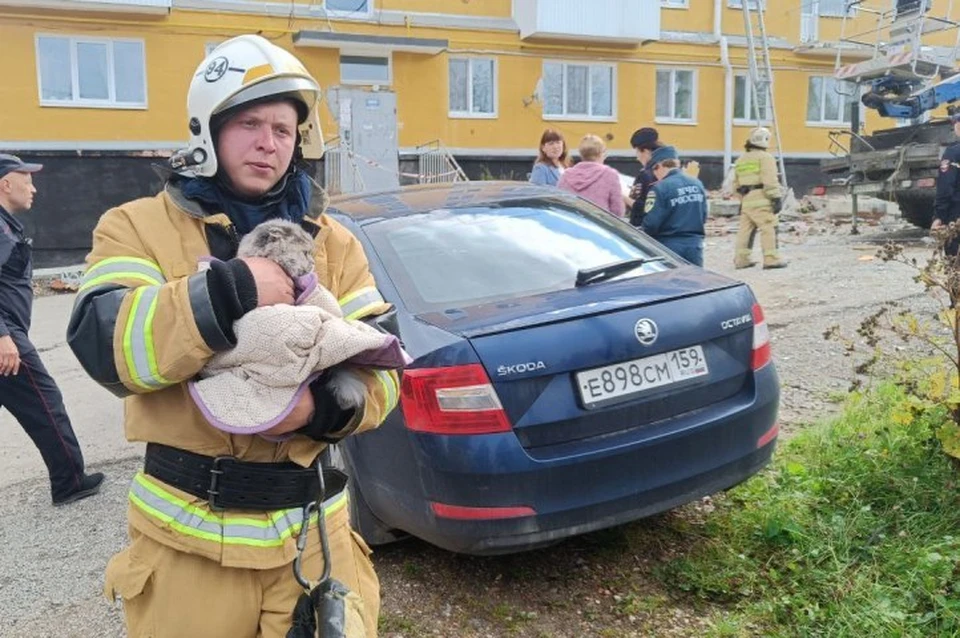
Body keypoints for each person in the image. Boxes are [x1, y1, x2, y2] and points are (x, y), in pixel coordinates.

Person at [67, 35, 399, 637]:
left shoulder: (334, 242)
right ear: (207, 130)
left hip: (318, 539)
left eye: (283, 128)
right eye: (249, 122)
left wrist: (322, 405)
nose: (268, 142)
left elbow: (383, 365)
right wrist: (229, 292)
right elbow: (105, 344)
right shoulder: (135, 227)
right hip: (186, 551)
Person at [0, 154, 105, 506]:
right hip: (6, 336)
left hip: (10, 332)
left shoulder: (6, 224)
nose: (34, 187)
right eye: (26, 179)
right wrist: (3, 336)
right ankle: (70, 482)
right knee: (46, 404)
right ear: (5, 184)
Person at [642, 145, 708, 266]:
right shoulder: (697, 183)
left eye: (653, 170)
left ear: (658, 166)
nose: (655, 175)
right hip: (694, 245)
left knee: (672, 283)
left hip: (669, 246)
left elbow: (651, 224)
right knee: (695, 282)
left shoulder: (659, 188)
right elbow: (703, 215)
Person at [732, 127, 787, 269]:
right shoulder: (765, 158)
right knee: (769, 227)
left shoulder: (741, 159)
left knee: (745, 231)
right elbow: (769, 180)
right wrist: (775, 197)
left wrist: (741, 199)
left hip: (746, 199)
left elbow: (735, 184)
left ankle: (741, 260)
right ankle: (771, 259)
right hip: (762, 198)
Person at [557, 134, 626, 216]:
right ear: (601, 153)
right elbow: (617, 211)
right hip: (599, 226)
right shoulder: (610, 175)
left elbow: (558, 205)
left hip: (570, 225)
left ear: (581, 154)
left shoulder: (566, 176)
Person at [626, 127, 661, 227]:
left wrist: (622, 197)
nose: (637, 157)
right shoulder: (664, 169)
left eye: (637, 152)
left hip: (643, 227)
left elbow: (641, 207)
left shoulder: (646, 174)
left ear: (645, 151)